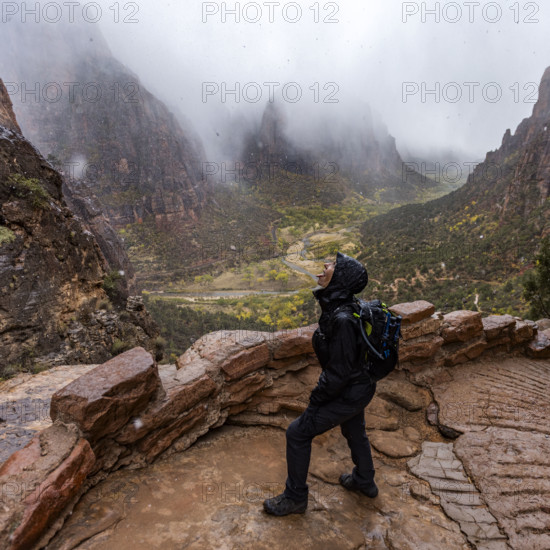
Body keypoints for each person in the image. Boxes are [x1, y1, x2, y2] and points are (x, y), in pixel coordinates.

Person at [263, 251, 378, 516]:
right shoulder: (348, 307)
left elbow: (337, 374)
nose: (326, 265)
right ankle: (365, 481)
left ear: (340, 278)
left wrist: (317, 399)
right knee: (355, 430)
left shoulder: (342, 319)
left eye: (333, 265)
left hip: (348, 391)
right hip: (360, 387)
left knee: (297, 432)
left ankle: (295, 498)